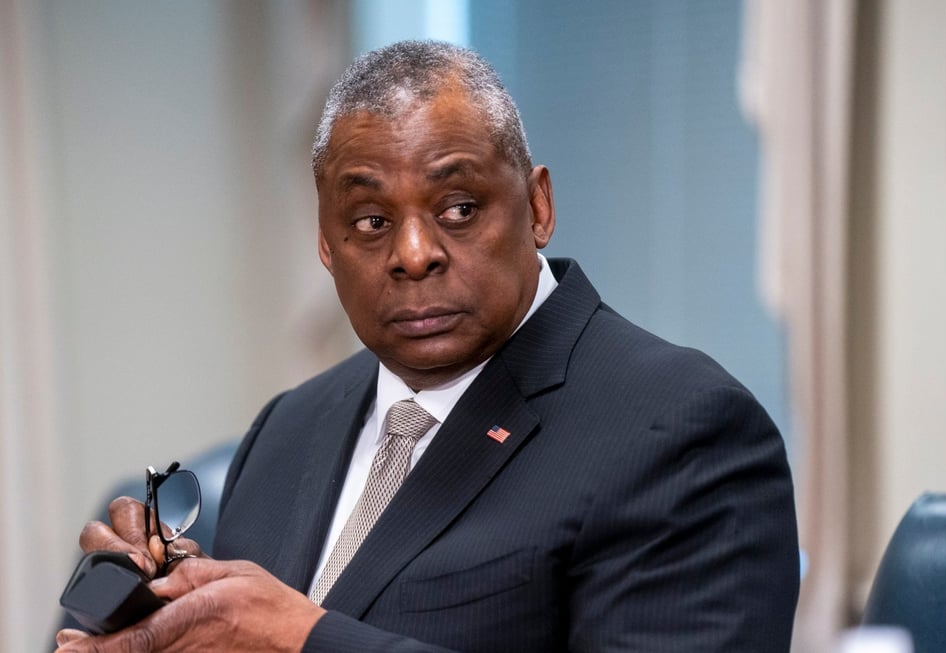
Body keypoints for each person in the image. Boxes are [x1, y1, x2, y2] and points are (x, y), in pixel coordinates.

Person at [57, 40, 799, 652]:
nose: (413, 252)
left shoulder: (680, 430)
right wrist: (174, 612)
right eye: (371, 222)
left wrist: (302, 638)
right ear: (325, 243)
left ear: (538, 206)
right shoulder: (289, 428)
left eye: (460, 207)